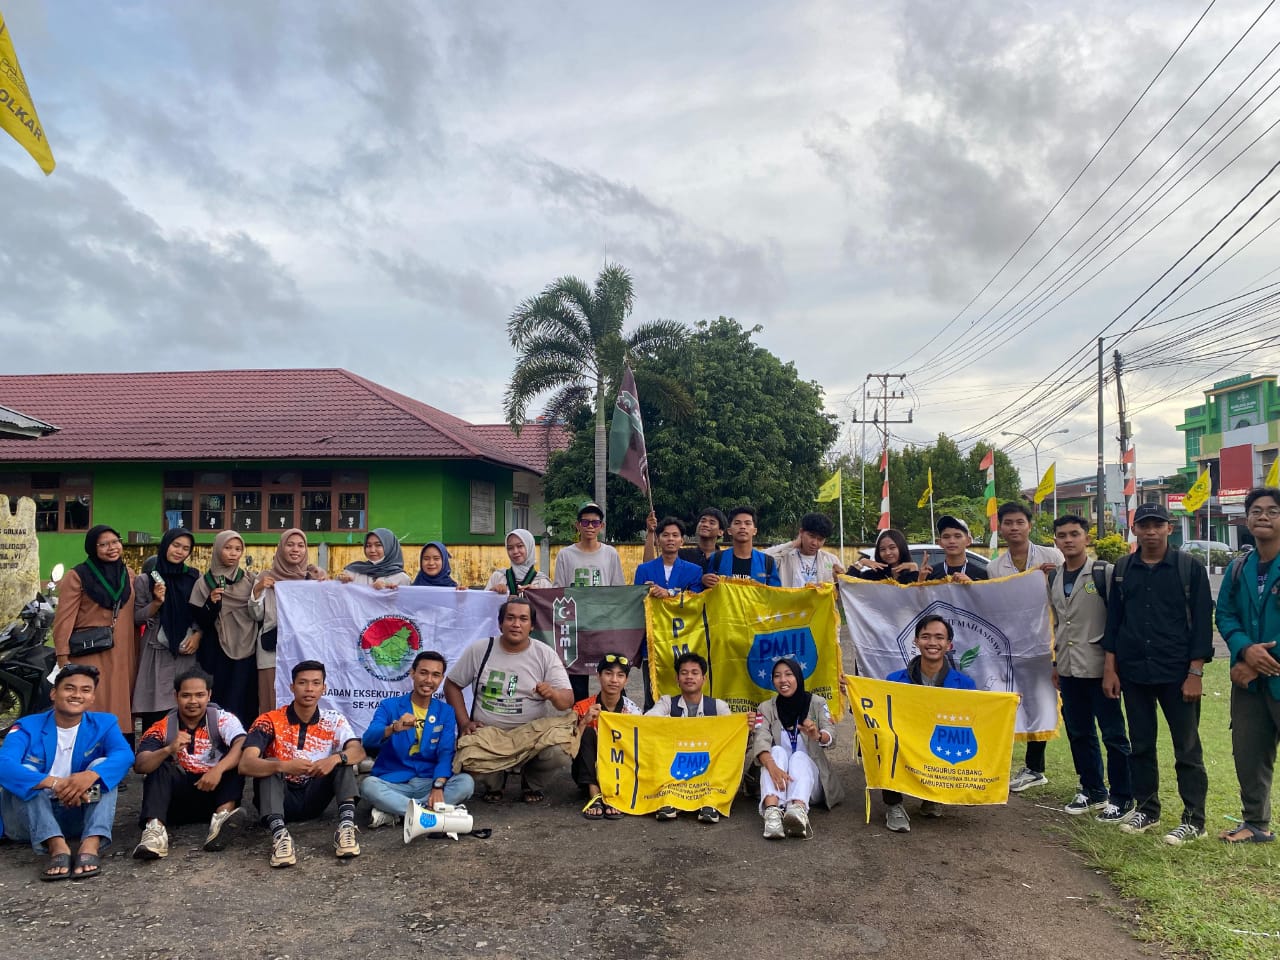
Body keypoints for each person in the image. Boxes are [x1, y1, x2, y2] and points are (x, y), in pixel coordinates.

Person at [1102, 502, 1213, 847]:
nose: (1151, 531)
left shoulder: (1188, 568)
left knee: (1187, 749)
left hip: (1177, 672)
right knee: (1141, 745)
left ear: (1169, 528)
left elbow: (1202, 626)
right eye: (1144, 526)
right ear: (1134, 530)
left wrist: (1195, 672)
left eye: (1158, 525)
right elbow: (1114, 623)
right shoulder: (1123, 570)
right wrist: (1111, 669)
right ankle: (1147, 809)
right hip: (1134, 671)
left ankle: (1194, 819)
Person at [0, 665, 132, 880]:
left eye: (85, 690)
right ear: (54, 693)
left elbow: (124, 756)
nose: (77, 695)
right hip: (28, 819)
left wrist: (90, 776)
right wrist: (53, 782)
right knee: (28, 772)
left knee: (103, 768)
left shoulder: (104, 723)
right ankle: (56, 846)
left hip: (78, 808)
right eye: (69, 688)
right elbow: (4, 765)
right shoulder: (26, 726)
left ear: (92, 698)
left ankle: (91, 843)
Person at [444, 597, 575, 804]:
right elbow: (451, 685)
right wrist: (464, 723)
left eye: (523, 619)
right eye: (510, 618)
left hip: (531, 736)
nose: (516, 624)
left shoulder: (544, 654)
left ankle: (531, 783)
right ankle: (496, 781)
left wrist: (553, 694)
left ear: (531, 626)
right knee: (467, 757)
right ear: (500, 623)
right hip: (489, 735)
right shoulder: (481, 649)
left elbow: (567, 701)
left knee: (562, 750)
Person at [238, 660, 365, 867]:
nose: (309, 689)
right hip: (280, 798)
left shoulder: (334, 719)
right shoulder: (269, 720)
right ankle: (280, 836)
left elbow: (358, 751)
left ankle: (347, 828)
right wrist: (283, 766)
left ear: (324, 688)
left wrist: (334, 758)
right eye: (302, 683)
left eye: (316, 683)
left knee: (343, 760)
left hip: (313, 798)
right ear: (292, 687)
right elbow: (246, 764)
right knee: (270, 764)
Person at [1047, 515, 1132, 822]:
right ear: (1055, 541)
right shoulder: (1054, 577)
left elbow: (1117, 622)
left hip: (1100, 668)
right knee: (1079, 732)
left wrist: (1113, 669)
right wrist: (1056, 662)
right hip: (1069, 668)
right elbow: (1058, 623)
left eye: (1074, 534)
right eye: (1062, 535)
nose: (1068, 540)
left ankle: (1123, 796)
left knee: (1113, 734)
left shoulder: (1103, 572)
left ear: (1087, 538)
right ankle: (1092, 789)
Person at [1215, 486, 1280, 844]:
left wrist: (1259, 660)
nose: (1263, 517)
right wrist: (1243, 649)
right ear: (1247, 518)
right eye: (1256, 511)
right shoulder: (1240, 567)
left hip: (1270, 672)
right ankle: (1256, 823)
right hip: (1248, 682)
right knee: (1249, 752)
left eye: (1272, 511)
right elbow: (1224, 613)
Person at [132, 668, 247, 860]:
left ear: (209, 695)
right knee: (159, 767)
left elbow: (242, 744)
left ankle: (221, 821)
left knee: (235, 761)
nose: (193, 701)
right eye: (186, 695)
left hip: (214, 793)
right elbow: (140, 765)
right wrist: (167, 750)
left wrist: (218, 770)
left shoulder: (222, 719)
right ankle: (154, 832)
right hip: (176, 802)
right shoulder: (162, 727)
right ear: (176, 696)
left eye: (200, 695)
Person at [990, 501, 1064, 793]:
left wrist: (1051, 576)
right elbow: (995, 604)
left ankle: (1037, 768)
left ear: (1029, 525)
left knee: (1049, 700)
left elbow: (1064, 594)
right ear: (1001, 527)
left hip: (1051, 640)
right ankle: (1020, 765)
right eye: (1008, 523)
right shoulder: (995, 567)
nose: (1014, 528)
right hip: (1014, 644)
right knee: (1018, 700)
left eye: (1019, 522)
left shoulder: (1052, 555)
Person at [882, 615, 977, 833]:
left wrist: (1007, 706)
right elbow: (877, 712)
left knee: (955, 737)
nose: (932, 643)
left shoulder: (965, 684)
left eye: (939, 637)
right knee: (886, 737)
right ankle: (894, 805)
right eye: (925, 637)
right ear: (915, 642)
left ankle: (933, 796)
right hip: (906, 740)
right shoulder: (894, 680)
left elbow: (977, 722)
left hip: (940, 741)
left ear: (949, 645)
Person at [360, 651, 475, 828]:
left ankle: (398, 812)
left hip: (428, 782)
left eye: (435, 675)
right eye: (423, 673)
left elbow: (446, 753)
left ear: (441, 679)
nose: (429, 680)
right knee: (368, 786)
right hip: (394, 781)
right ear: (412, 674)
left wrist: (437, 786)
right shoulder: (389, 706)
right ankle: (433, 814)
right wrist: (393, 728)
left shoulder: (446, 712)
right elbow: (368, 739)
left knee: (466, 783)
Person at [51, 525, 139, 739]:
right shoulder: (77, 576)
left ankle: (116, 754)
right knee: (94, 699)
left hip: (123, 653)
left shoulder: (128, 574)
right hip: (91, 652)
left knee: (119, 702)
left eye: (115, 542)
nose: (112, 548)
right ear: (92, 547)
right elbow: (64, 619)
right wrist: (63, 657)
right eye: (104, 544)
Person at [754, 658, 842, 840]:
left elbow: (831, 734)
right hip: (778, 781)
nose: (783, 680)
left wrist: (818, 735)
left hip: (809, 784)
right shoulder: (766, 708)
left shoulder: (816, 703)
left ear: (798, 677)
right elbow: (760, 739)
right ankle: (772, 815)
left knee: (799, 756)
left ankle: (798, 811)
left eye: (788, 674)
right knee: (775, 751)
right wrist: (772, 767)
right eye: (777, 676)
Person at [646, 652, 732, 823]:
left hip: (707, 766)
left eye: (695, 673)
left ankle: (710, 803)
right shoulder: (667, 703)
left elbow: (732, 737)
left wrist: (747, 725)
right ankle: (668, 800)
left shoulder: (718, 707)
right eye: (684, 673)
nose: (689, 677)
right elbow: (648, 722)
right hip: (674, 765)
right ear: (677, 679)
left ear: (704, 679)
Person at [553, 502, 626, 700]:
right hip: (576, 626)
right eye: (585, 522)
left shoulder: (610, 553)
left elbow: (618, 590)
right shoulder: (565, 555)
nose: (590, 526)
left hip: (604, 625)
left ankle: (617, 717)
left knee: (613, 672)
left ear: (601, 526)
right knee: (577, 679)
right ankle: (581, 723)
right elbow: (559, 591)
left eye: (595, 522)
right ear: (578, 525)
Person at [249, 528, 326, 713]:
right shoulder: (266, 577)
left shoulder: (313, 578)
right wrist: (259, 590)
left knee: (304, 698)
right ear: (281, 548)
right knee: (271, 701)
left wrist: (326, 584)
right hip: (272, 652)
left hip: (304, 650)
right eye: (290, 545)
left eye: (300, 545)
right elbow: (256, 615)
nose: (295, 549)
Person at [132, 528, 202, 729]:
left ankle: (183, 756)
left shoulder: (193, 577)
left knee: (186, 704)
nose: (180, 551)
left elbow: (200, 612)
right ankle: (152, 755)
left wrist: (198, 634)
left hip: (186, 649)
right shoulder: (146, 580)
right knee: (156, 708)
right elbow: (137, 617)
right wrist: (157, 602)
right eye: (176, 545)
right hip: (156, 649)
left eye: (186, 548)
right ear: (165, 545)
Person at [190, 531, 260, 726]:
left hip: (247, 648)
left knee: (244, 698)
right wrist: (211, 604)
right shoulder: (204, 583)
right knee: (219, 698)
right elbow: (199, 620)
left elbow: (260, 611)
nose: (233, 553)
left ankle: (243, 745)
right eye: (227, 548)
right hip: (215, 651)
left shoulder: (250, 580)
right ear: (218, 549)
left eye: (238, 549)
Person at [572, 653, 642, 820]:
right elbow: (567, 749)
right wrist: (583, 722)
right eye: (608, 673)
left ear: (626, 681)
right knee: (588, 732)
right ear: (598, 676)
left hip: (621, 774)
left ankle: (614, 795)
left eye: (620, 675)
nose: (614, 680)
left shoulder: (633, 711)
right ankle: (594, 794)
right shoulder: (582, 707)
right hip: (588, 771)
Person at [701, 506, 782, 589]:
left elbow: (775, 594)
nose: (742, 527)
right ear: (729, 531)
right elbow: (706, 592)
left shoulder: (767, 562)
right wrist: (704, 581)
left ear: (755, 531)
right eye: (737, 523)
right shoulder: (717, 558)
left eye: (747, 523)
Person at [764, 513, 846, 587]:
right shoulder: (785, 556)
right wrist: (793, 544)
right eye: (812, 536)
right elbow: (761, 560)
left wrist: (839, 581)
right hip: (790, 603)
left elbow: (843, 593)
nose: (815, 543)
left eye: (820, 539)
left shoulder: (831, 560)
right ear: (801, 532)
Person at [917, 515, 989, 583]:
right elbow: (919, 596)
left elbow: (985, 596)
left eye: (957, 536)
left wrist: (971, 585)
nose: (952, 541)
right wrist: (920, 581)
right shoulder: (929, 574)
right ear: (940, 542)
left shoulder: (981, 575)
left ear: (968, 540)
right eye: (946, 537)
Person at [336, 528, 410, 589]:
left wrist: (386, 591)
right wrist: (339, 581)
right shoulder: (352, 572)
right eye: (368, 546)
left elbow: (404, 605)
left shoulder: (401, 578)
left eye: (378, 545)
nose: (372, 550)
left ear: (390, 547)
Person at [485, 528, 552, 594]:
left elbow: (548, 604)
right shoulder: (498, 577)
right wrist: (494, 593)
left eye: (520, 546)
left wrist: (537, 595)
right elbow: (483, 602)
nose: (515, 551)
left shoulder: (542, 582)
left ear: (529, 547)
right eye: (510, 548)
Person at [850, 528, 919, 583]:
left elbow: (918, 596)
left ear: (901, 548)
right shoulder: (872, 575)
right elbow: (846, 586)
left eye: (892, 547)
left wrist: (914, 570)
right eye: (882, 549)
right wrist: (861, 562)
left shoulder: (916, 573)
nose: (887, 553)